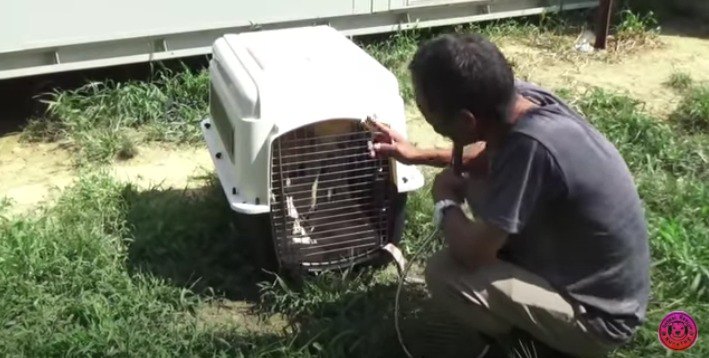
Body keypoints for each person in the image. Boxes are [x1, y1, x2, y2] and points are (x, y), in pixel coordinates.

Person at [369, 33, 650, 357]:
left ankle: (528, 343)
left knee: (445, 272)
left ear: (466, 120)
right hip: (597, 276)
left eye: (423, 107)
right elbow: (484, 157)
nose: (422, 113)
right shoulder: (521, 102)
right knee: (474, 181)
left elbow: (471, 254)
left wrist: (444, 202)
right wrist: (417, 154)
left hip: (601, 318)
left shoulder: (531, 149)